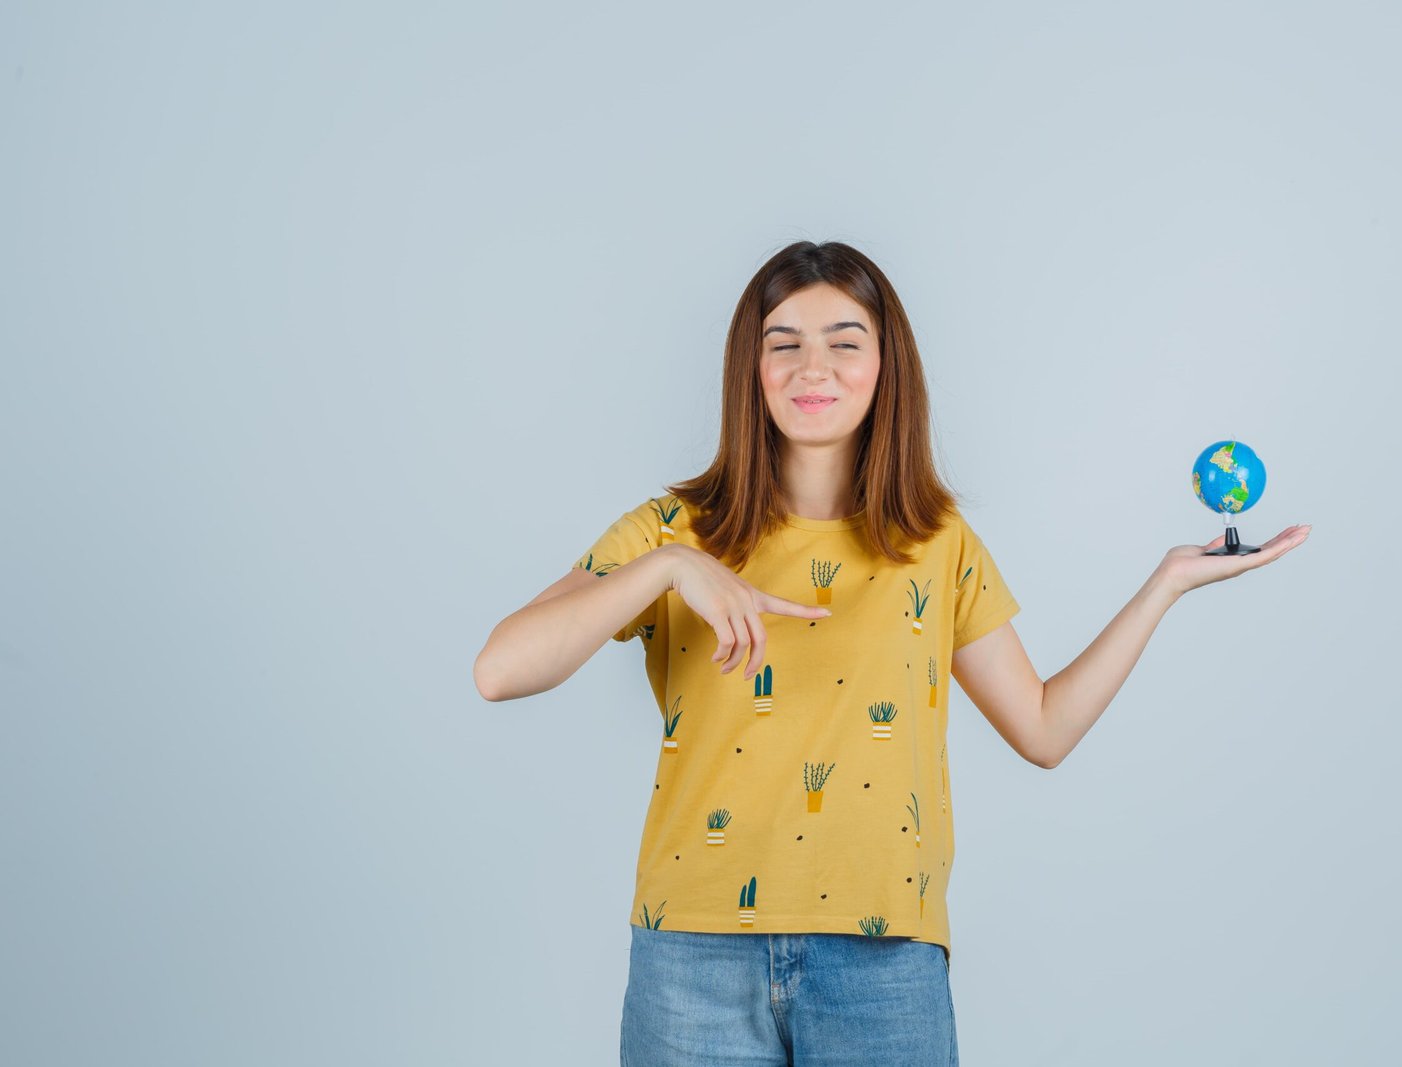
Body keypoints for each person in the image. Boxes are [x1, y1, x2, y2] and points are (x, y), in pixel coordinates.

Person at [473, 240, 1311, 1065]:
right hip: (691, 958)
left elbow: (1044, 728)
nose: (814, 369)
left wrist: (1163, 584)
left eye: (845, 343)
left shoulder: (935, 543)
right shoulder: (672, 532)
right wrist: (667, 568)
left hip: (883, 965)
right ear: (749, 368)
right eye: (784, 344)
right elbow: (500, 668)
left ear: (886, 367)